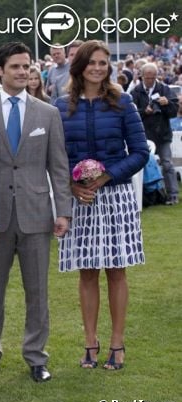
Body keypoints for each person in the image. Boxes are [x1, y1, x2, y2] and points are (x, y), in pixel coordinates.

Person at [0, 42, 72, 383]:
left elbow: (59, 166)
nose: (22, 72)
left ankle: (36, 357)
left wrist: (63, 210)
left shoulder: (47, 113)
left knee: (38, 292)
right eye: (15, 66)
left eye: (26, 66)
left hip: (36, 214)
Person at [55, 40, 149, 371]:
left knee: (116, 271)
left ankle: (117, 344)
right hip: (80, 199)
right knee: (88, 272)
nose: (99, 68)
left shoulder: (123, 102)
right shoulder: (60, 105)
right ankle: (90, 344)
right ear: (79, 66)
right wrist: (72, 182)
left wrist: (107, 176)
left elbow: (140, 152)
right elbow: (56, 157)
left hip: (116, 195)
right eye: (92, 62)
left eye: (104, 63)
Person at [131, 63, 179, 204]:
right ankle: (145, 196)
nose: (150, 80)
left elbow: (174, 112)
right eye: (148, 78)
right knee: (140, 166)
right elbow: (131, 114)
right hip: (143, 135)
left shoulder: (164, 89)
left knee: (167, 164)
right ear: (142, 76)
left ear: (156, 76)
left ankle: (173, 195)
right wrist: (144, 111)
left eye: (153, 78)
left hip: (162, 134)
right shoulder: (136, 91)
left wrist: (167, 104)